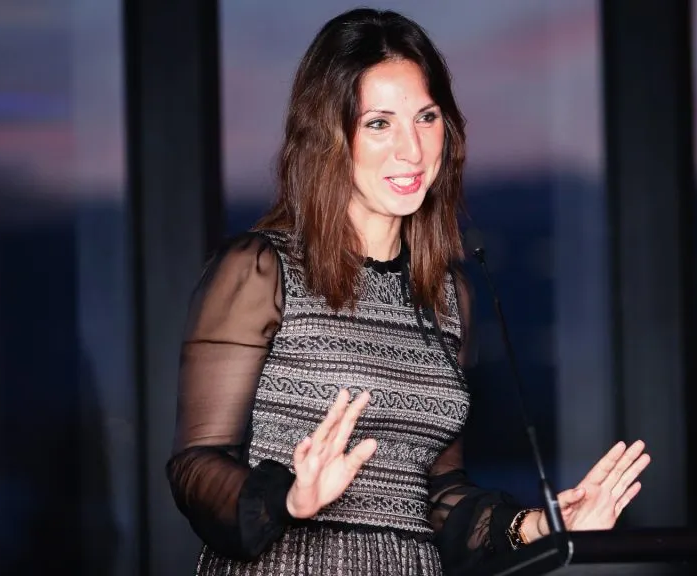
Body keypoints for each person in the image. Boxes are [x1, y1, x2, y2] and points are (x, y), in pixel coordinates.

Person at [166, 7, 650, 575]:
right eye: (379, 123)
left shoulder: (447, 296)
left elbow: (435, 495)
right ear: (327, 136)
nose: (412, 150)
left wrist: (540, 525)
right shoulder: (261, 270)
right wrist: (289, 498)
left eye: (426, 117)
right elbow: (195, 464)